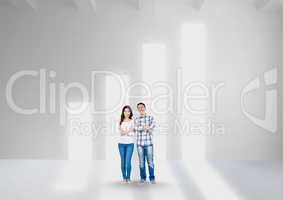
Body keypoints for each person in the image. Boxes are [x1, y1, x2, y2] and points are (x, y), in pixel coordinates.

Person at [134, 102, 156, 184]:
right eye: (139, 108)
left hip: (149, 144)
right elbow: (136, 128)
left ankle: (152, 178)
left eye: (142, 107)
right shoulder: (136, 119)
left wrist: (147, 128)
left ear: (145, 108)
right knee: (141, 162)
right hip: (140, 144)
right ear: (138, 109)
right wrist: (146, 127)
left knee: (150, 161)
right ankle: (142, 178)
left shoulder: (150, 118)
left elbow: (152, 128)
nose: (141, 109)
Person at [118, 105, 135, 183]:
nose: (127, 112)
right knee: (123, 161)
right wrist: (128, 131)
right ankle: (124, 178)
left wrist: (126, 132)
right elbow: (120, 132)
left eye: (128, 111)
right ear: (123, 112)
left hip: (130, 144)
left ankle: (128, 177)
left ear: (130, 112)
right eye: (125, 111)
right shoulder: (120, 121)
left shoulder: (132, 121)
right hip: (121, 144)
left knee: (128, 161)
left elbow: (133, 132)